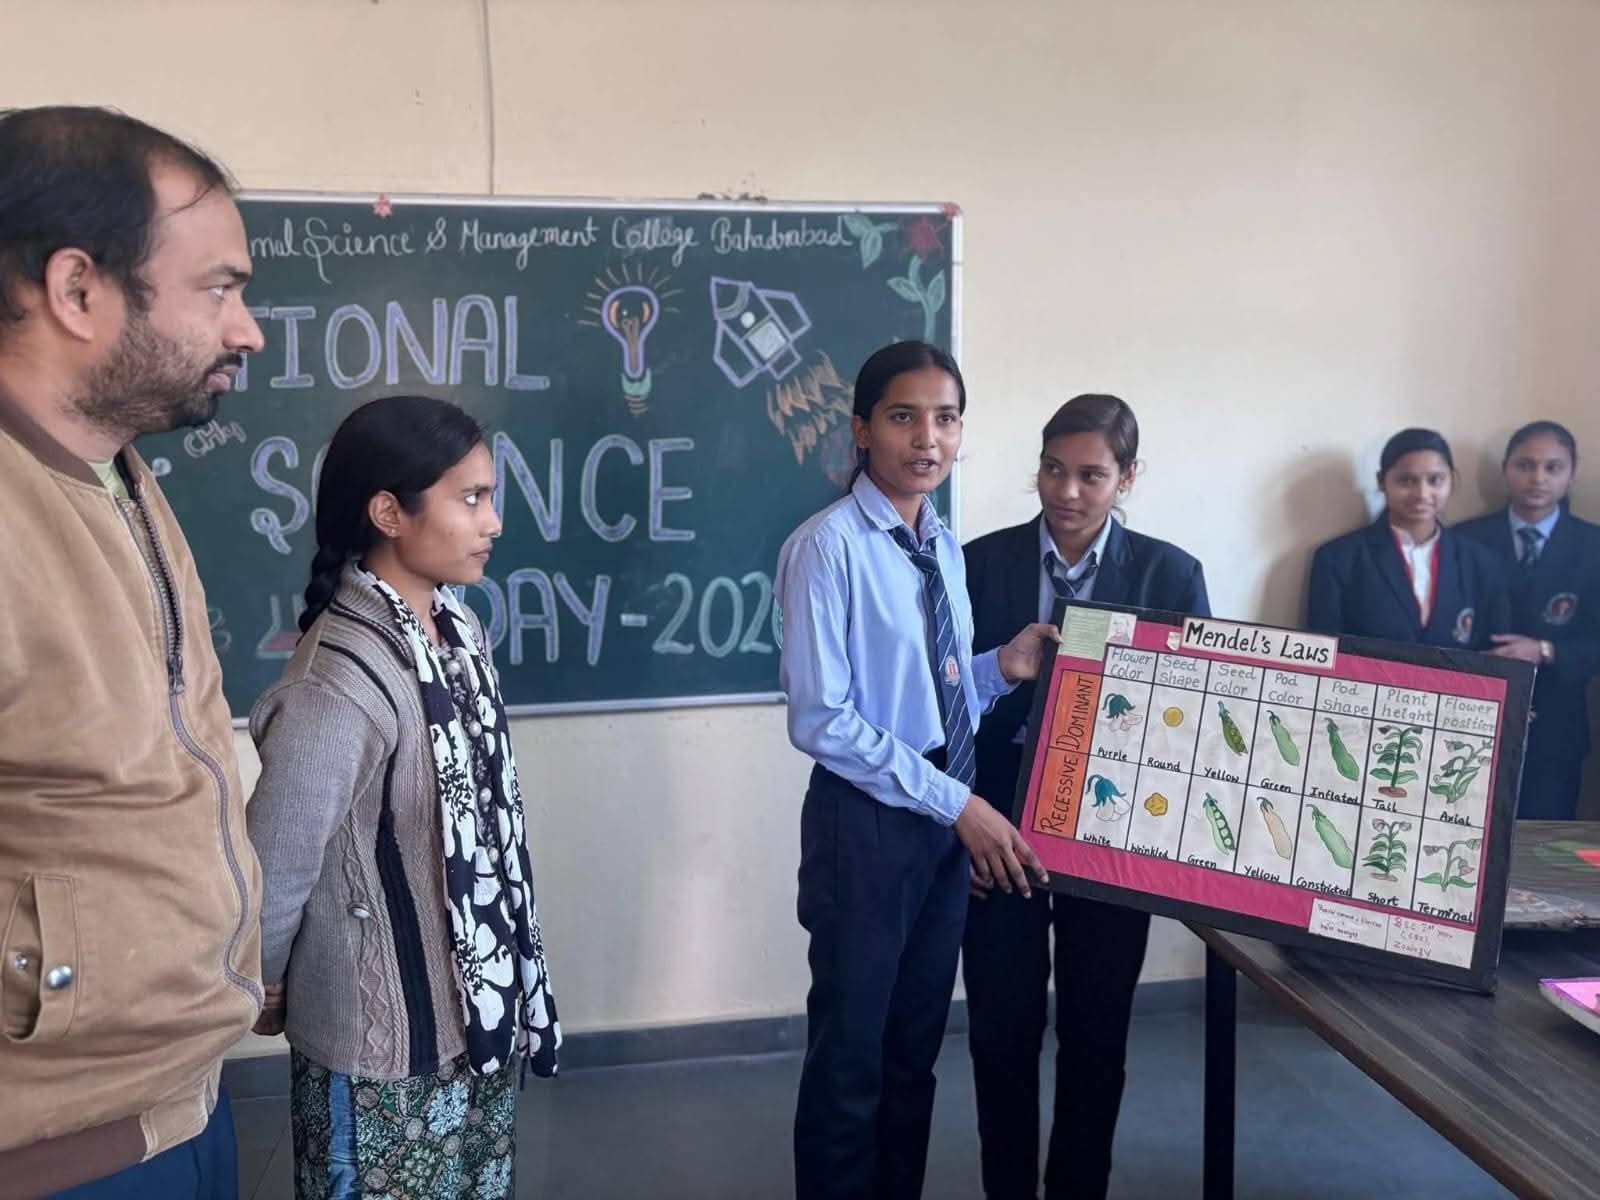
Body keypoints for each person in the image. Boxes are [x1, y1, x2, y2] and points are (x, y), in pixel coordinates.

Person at [0, 106, 266, 1198]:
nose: (247, 330)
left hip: (180, 1098)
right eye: (219, 288)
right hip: (54, 1152)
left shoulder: (118, 475)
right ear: (77, 289)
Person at [246, 395, 559, 1199]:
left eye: (489, 496)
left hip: (475, 1015)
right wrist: (260, 979)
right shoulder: (339, 683)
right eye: (470, 498)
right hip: (379, 1043)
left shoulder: (458, 635)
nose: (492, 522)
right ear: (389, 512)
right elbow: (277, 864)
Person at [777, 340, 1059, 1199]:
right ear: (862, 429)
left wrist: (999, 667)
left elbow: (934, 695)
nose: (927, 438)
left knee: (912, 1055)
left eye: (946, 418)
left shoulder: (942, 547)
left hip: (935, 818)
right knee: (851, 1059)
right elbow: (824, 718)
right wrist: (959, 805)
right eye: (903, 416)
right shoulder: (826, 547)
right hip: (866, 824)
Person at [962, 394, 1209, 1200]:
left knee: (1096, 1036)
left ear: (1128, 477)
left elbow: (1192, 722)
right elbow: (941, 708)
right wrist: (956, 827)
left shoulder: (1171, 574)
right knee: (1001, 1032)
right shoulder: (976, 563)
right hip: (997, 831)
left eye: (1092, 475)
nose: (1067, 492)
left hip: (1110, 837)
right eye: (1053, 469)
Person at [1457, 421, 1600, 819]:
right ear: (1506, 468)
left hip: (1556, 724)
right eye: (1525, 465)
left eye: (1553, 467)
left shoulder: (1593, 547)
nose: (1538, 478)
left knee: (1541, 840)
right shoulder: (1464, 540)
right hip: (1474, 719)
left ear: (1572, 473)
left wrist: (1546, 650)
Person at [1307, 427, 1509, 649]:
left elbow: (1494, 656)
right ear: (1381, 481)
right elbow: (1322, 654)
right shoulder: (1338, 560)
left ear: (1451, 480)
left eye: (1435, 480)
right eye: (1406, 481)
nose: (1422, 494)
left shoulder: (1481, 563)